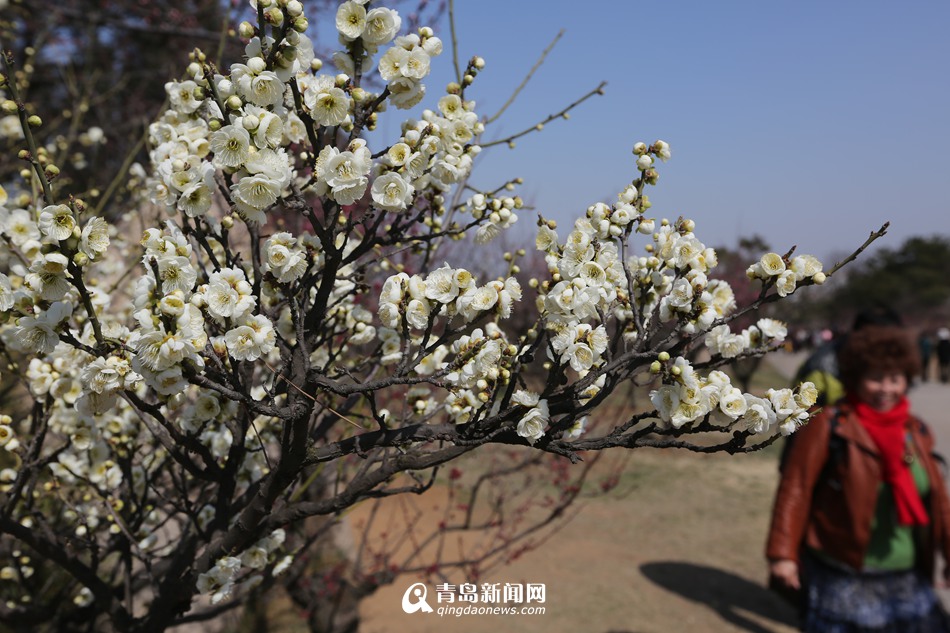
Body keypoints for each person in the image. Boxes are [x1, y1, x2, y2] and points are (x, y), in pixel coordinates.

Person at [767, 325, 950, 632]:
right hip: (842, 573)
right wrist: (782, 554)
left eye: (894, 379)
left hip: (906, 572)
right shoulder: (828, 424)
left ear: (906, 380)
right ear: (856, 378)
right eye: (875, 378)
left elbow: (938, 500)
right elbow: (795, 488)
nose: (885, 388)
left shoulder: (915, 430)